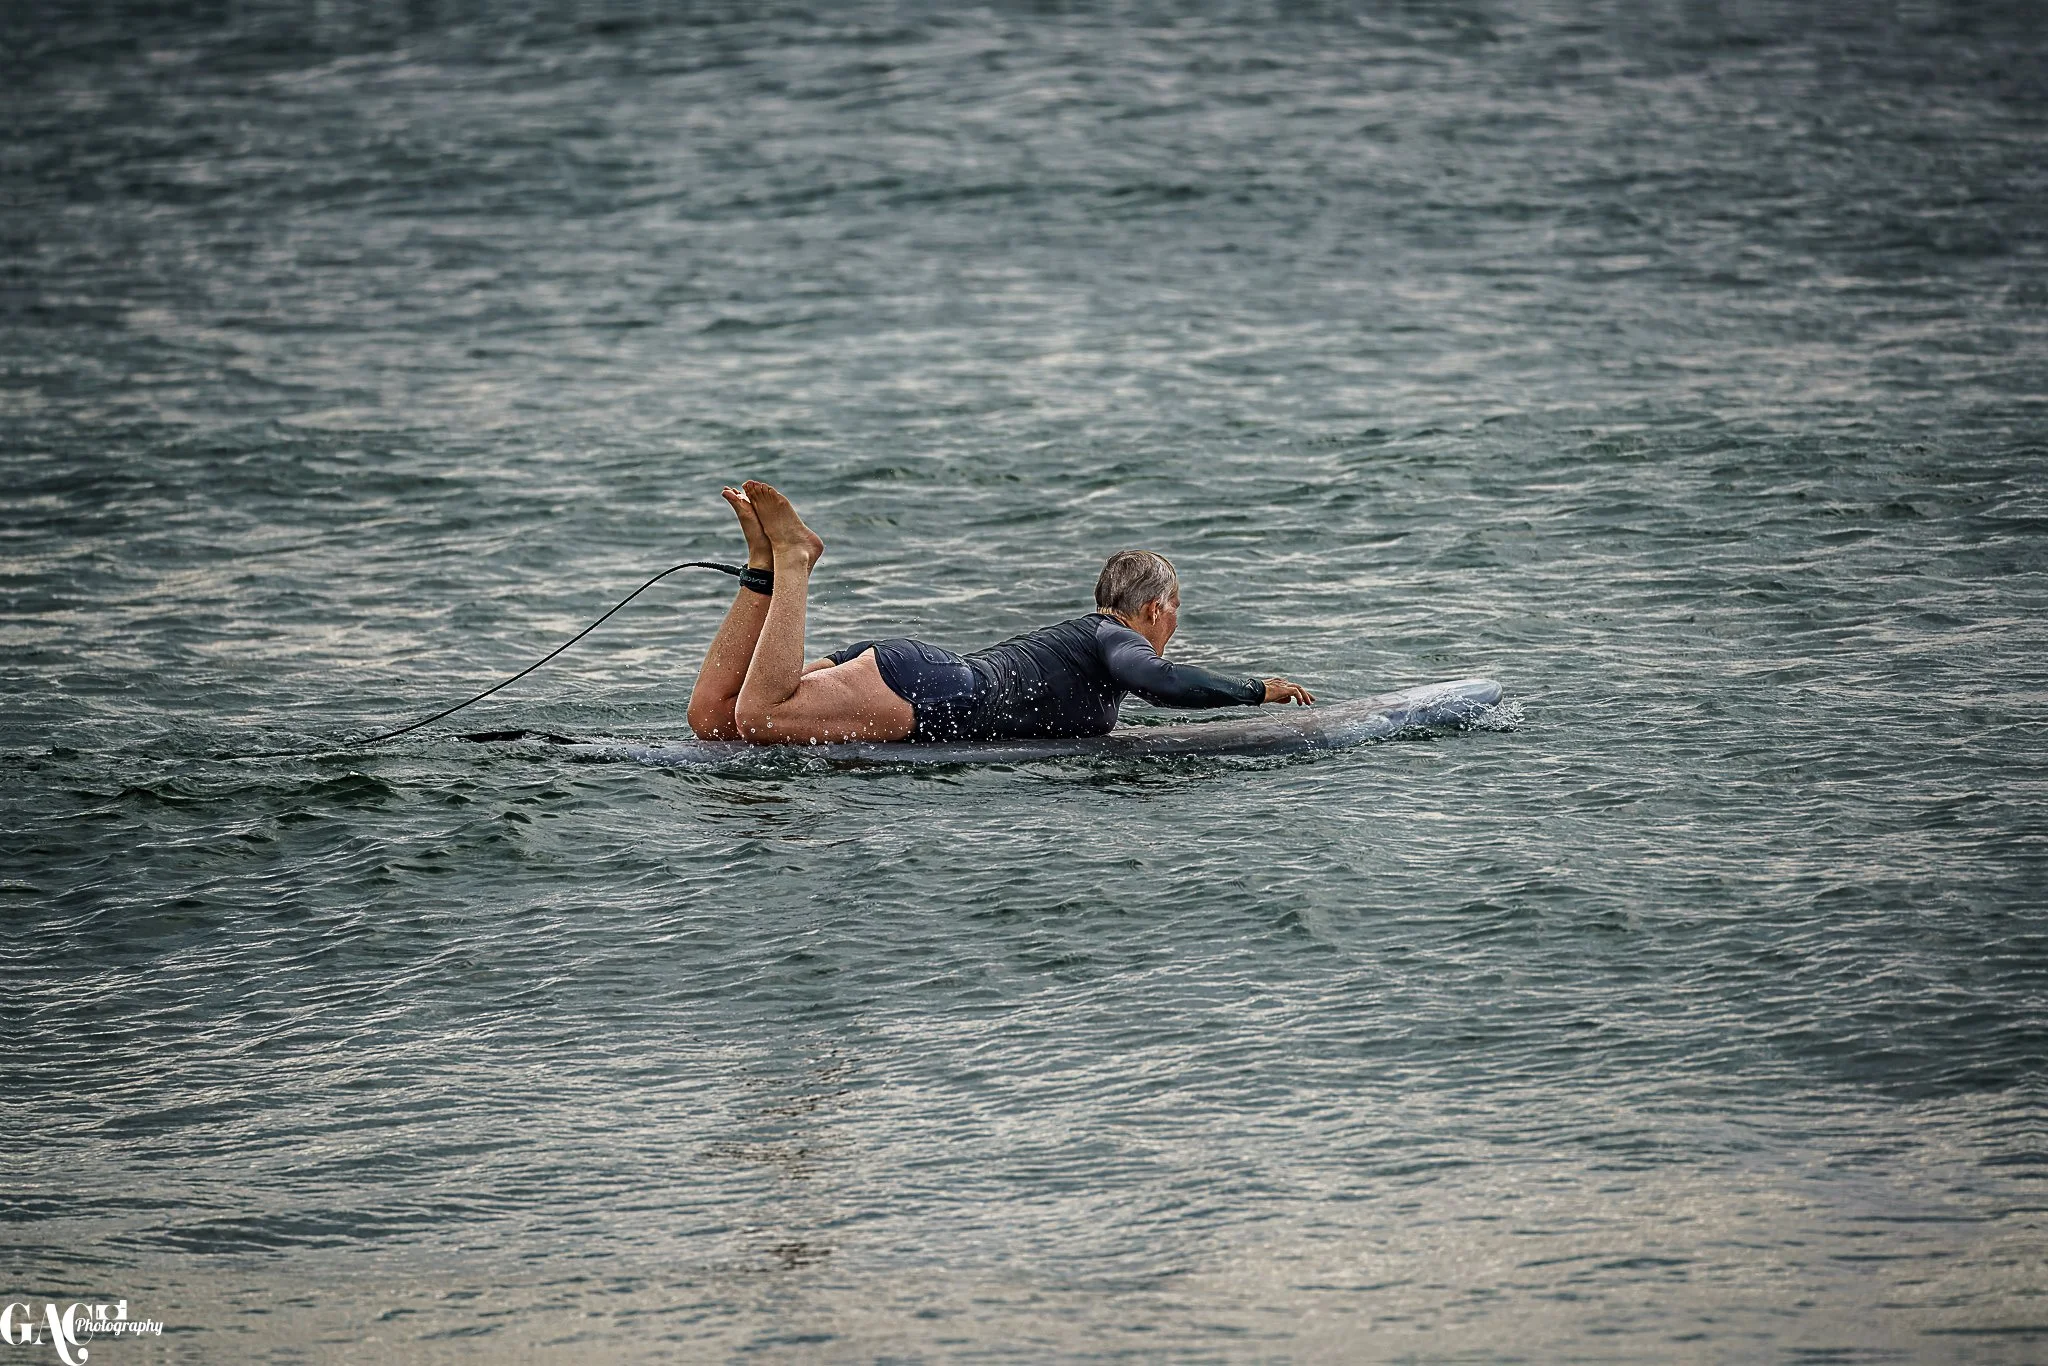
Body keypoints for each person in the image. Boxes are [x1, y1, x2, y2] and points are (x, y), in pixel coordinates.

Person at [686, 481, 1315, 745]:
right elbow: (1161, 683)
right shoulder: (1112, 638)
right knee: (762, 717)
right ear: (1154, 610)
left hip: (912, 673)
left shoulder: (1082, 638)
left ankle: (763, 569)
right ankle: (793, 559)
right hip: (936, 693)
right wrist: (1258, 689)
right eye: (1175, 618)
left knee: (716, 720)